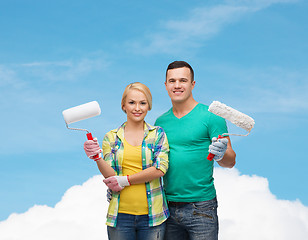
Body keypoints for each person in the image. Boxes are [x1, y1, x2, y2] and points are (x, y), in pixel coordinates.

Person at [154, 61, 236, 240]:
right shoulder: (160, 123)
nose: (177, 85)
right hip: (166, 207)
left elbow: (230, 162)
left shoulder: (212, 116)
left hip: (201, 208)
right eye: (172, 81)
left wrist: (221, 154)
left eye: (183, 80)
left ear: (192, 84)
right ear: (166, 85)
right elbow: (153, 163)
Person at [84, 82, 170, 240]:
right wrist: (97, 157)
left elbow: (160, 169)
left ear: (148, 106)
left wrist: (125, 180)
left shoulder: (157, 134)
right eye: (132, 103)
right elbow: (111, 176)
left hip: (153, 217)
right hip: (120, 216)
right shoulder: (111, 137)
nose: (137, 108)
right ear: (124, 105)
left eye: (142, 103)